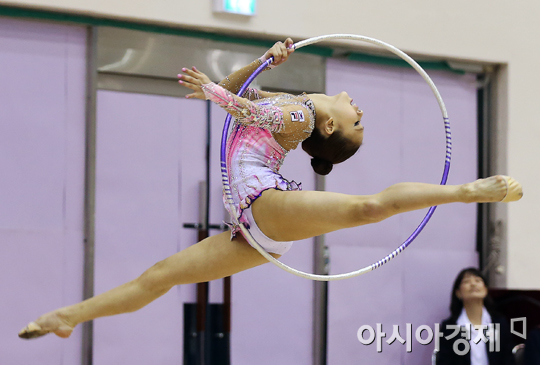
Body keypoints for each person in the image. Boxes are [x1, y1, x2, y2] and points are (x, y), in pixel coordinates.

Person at [19, 39, 523, 339]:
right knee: (160, 276)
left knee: (366, 209)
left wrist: (213, 92)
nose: (361, 111)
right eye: (363, 120)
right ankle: (68, 317)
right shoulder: (297, 103)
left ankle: (467, 191)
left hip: (264, 202)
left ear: (328, 127)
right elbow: (243, 91)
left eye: (357, 124)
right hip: (250, 227)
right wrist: (263, 61)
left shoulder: (302, 114)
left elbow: (244, 108)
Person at [436, 268, 516, 365]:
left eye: (478, 280)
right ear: (458, 293)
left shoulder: (499, 322)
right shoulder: (449, 327)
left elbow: (508, 359)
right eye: (466, 281)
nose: (473, 284)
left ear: (486, 290)